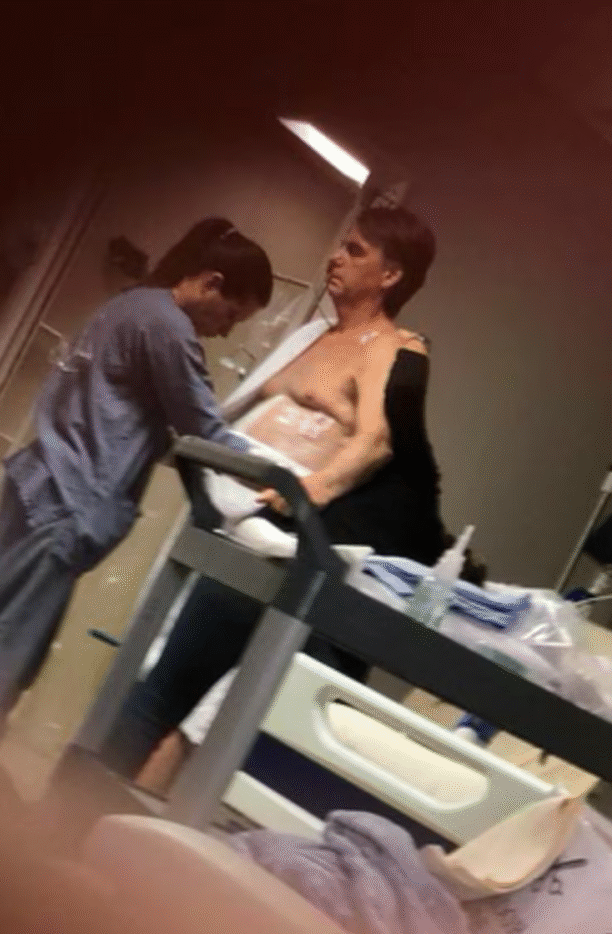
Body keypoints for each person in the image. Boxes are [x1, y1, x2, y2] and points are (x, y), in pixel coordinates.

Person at [0, 218, 274, 753]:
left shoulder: (129, 306)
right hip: (65, 502)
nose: (227, 331)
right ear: (211, 283)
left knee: (14, 655)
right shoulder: (167, 326)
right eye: (232, 314)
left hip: (41, 487)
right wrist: (287, 479)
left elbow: (132, 421)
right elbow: (204, 429)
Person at [100, 204, 450, 781]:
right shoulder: (313, 336)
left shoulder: (391, 349)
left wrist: (310, 490)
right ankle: (82, 809)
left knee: (172, 700)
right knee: (154, 684)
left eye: (356, 250)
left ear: (391, 275)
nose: (336, 256)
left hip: (278, 536)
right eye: (342, 243)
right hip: (227, 520)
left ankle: (82, 815)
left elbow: (374, 442)